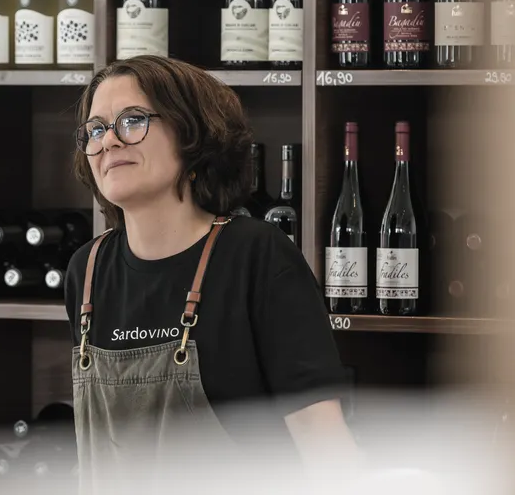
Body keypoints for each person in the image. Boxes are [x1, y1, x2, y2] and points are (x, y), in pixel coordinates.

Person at [64, 55, 361, 493]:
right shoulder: (86, 272)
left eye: (131, 121)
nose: (108, 141)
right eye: (95, 129)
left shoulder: (256, 256)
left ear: (192, 134)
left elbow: (326, 448)